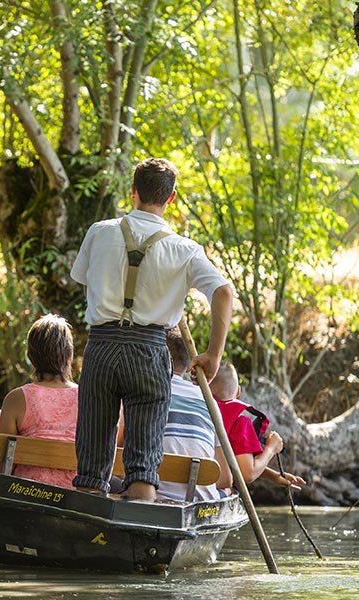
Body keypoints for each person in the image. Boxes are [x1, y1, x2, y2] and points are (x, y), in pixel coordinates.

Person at [70, 157, 234, 501]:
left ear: (133, 192)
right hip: (149, 350)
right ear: (171, 198)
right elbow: (223, 292)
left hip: (101, 347)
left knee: (91, 467)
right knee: (143, 466)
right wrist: (213, 356)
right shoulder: (185, 250)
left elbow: (87, 287)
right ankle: (140, 542)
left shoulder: (99, 232)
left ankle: (84, 538)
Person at [0, 314, 79, 488]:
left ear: (31, 357)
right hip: (75, 494)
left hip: (25, 492)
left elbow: (1, 465)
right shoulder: (87, 398)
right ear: (69, 355)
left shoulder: (16, 399)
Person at [158, 329, 233, 501]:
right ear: (187, 364)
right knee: (228, 491)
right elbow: (225, 479)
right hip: (199, 501)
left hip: (153, 497)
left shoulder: (145, 392)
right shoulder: (208, 400)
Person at [209, 363, 305, 489]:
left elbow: (239, 463)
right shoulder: (241, 423)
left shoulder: (200, 412)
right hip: (216, 488)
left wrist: (274, 476)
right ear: (238, 391)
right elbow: (248, 474)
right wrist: (271, 448)